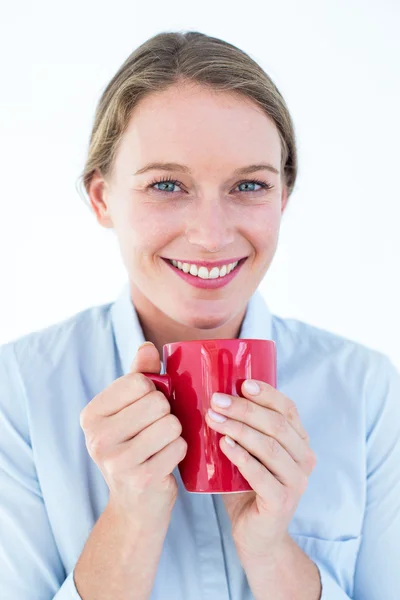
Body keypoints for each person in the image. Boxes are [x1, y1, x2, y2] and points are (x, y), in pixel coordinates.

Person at [0, 30, 399, 600]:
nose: (211, 236)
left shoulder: (366, 392)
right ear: (101, 199)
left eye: (249, 185)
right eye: (166, 185)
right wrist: (131, 521)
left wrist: (272, 553)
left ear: (283, 197)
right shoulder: (17, 391)